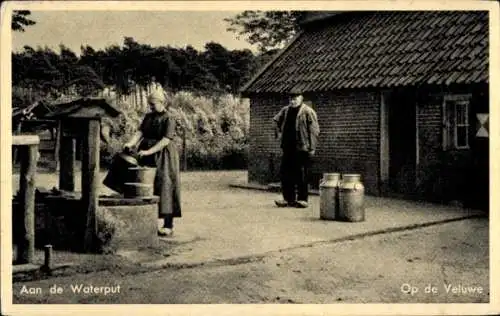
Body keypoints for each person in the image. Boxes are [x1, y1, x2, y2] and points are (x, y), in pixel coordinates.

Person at [124, 90, 181, 236]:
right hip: (147, 155)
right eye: (149, 104)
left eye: (153, 104)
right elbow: (140, 132)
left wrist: (149, 151)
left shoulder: (169, 118)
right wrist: (130, 143)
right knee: (145, 186)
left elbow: (165, 140)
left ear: (162, 103)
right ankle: (147, 223)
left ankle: (168, 224)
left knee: (164, 186)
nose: (150, 107)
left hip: (164, 157)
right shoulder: (148, 117)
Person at [273, 92, 320, 208]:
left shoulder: (308, 111)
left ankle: (302, 199)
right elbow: (275, 121)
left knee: (301, 174)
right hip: (287, 147)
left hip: (301, 148)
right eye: (291, 99)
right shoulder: (285, 110)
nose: (292, 101)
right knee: (285, 173)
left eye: (295, 99)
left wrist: (312, 147)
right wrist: (278, 134)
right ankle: (288, 199)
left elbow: (314, 130)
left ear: (301, 98)